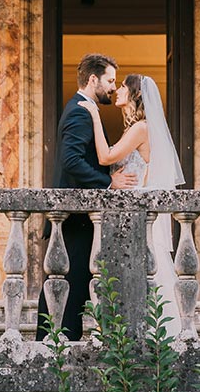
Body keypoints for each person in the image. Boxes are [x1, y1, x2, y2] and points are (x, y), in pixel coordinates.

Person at [35, 54, 137, 341]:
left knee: (72, 289)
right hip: (73, 220)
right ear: (93, 80)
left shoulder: (83, 109)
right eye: (109, 80)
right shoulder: (81, 111)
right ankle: (55, 350)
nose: (113, 87)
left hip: (77, 221)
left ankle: (58, 345)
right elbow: (70, 160)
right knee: (68, 289)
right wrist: (109, 182)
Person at [78, 74, 186, 335]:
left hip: (135, 218)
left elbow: (105, 157)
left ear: (135, 94)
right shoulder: (134, 129)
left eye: (123, 86)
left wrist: (94, 116)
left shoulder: (140, 129)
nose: (117, 90)